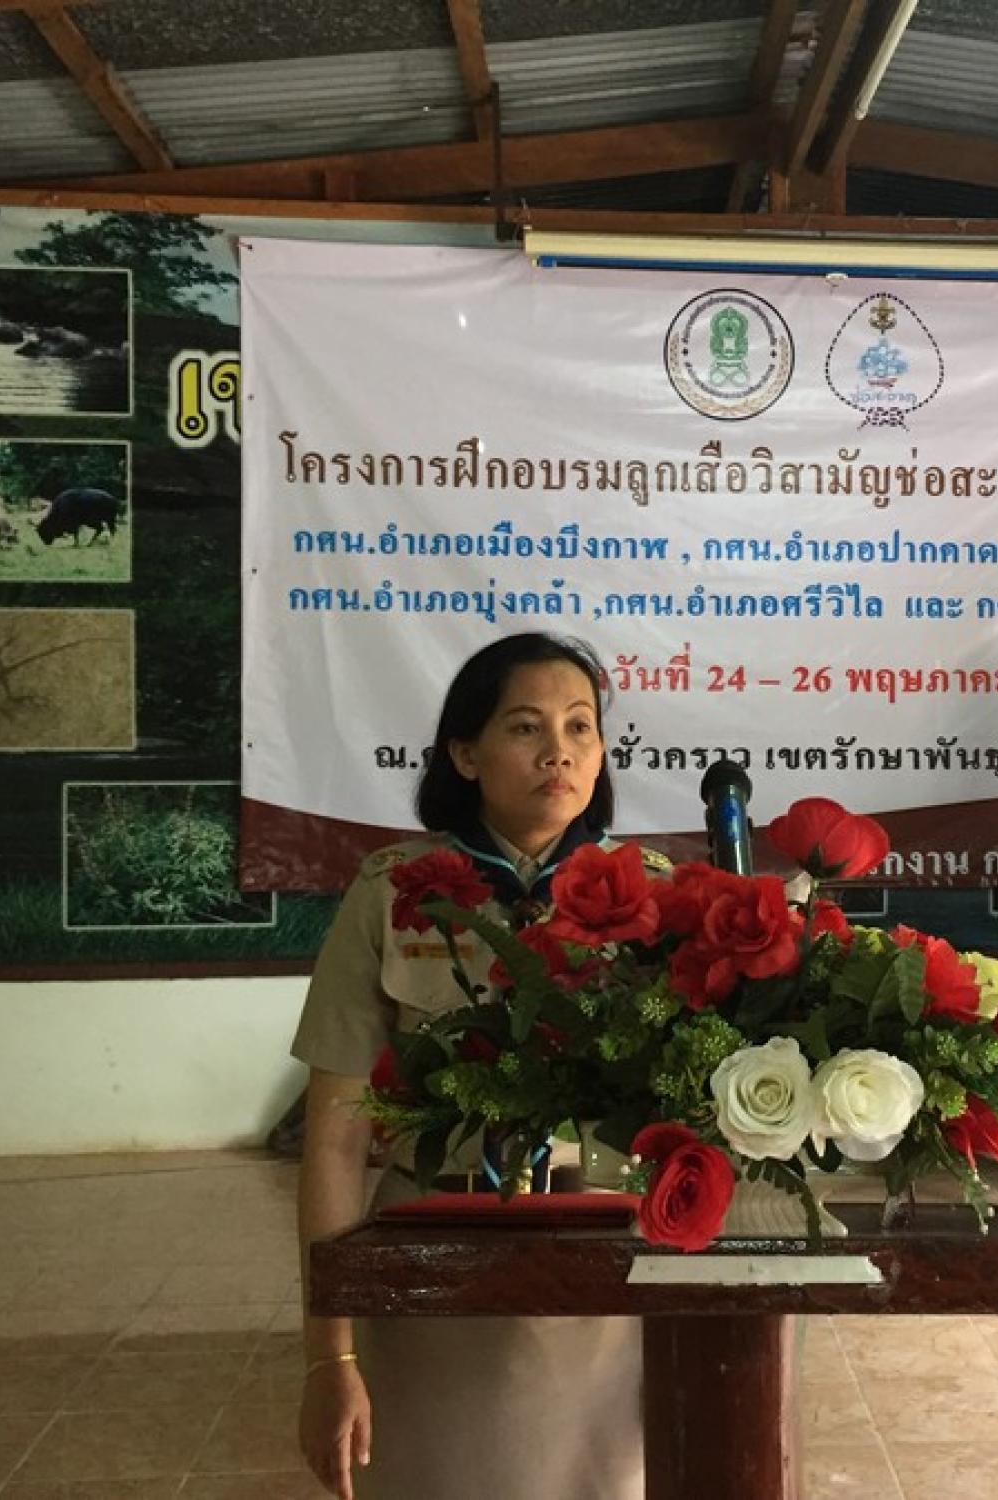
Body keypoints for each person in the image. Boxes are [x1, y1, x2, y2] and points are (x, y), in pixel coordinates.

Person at [292, 632, 646, 1500]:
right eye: (525, 727)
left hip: (607, 1272)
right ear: (465, 753)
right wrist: (330, 1356)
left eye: (580, 726)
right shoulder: (391, 891)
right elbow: (335, 1141)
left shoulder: (654, 896)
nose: (559, 751)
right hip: (434, 1265)